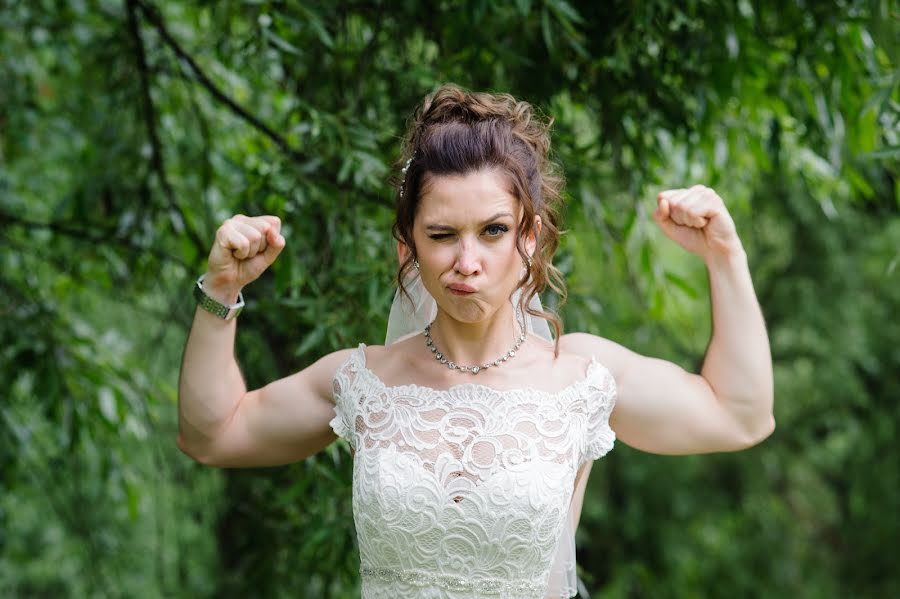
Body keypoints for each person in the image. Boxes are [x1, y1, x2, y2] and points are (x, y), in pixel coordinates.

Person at [177, 84, 774, 599]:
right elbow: (213, 433)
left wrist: (725, 255)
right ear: (407, 247)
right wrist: (221, 291)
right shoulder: (362, 380)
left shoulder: (583, 377)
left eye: (493, 231)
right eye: (442, 235)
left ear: (531, 237)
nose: (468, 262)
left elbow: (740, 414)